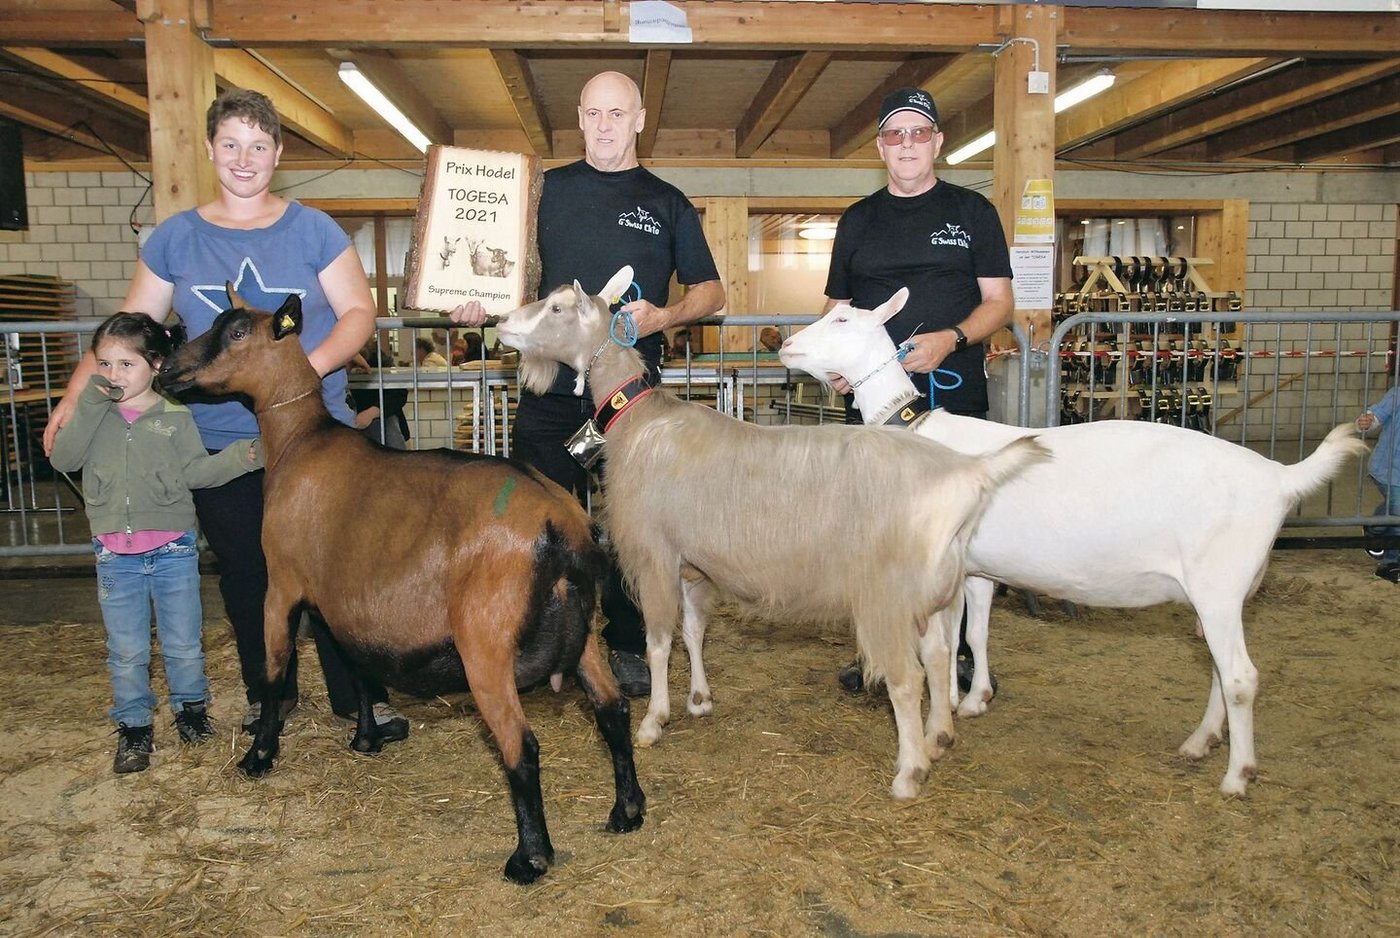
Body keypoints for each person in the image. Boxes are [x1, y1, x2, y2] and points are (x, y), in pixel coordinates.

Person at [43, 89, 409, 741]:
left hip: (314, 438)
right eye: (232, 144)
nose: (245, 158)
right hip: (219, 442)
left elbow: (358, 312)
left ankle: (362, 696)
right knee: (247, 574)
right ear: (210, 148)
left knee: (336, 568)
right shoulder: (176, 238)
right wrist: (76, 394)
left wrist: (300, 374)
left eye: (259, 145)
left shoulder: (314, 230)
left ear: (278, 154)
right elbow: (130, 330)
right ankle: (269, 695)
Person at [452, 70, 725, 696]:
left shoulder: (667, 202)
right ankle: (552, 643)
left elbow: (712, 291)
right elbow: (500, 273)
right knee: (541, 521)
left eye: (617, 113)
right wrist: (474, 300)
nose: (604, 126)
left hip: (627, 398)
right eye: (593, 114)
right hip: (548, 390)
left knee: (634, 525)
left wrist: (666, 315)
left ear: (640, 119)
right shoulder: (541, 192)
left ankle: (628, 643)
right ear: (579, 118)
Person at [821, 87, 1014, 694]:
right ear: (881, 147)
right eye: (895, 134)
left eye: (919, 132)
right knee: (876, 526)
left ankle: (958, 652)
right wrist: (834, 362)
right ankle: (880, 649)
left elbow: (1000, 302)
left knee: (954, 528)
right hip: (877, 406)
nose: (907, 144)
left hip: (952, 395)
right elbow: (837, 308)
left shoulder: (972, 212)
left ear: (938, 142)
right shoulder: (858, 220)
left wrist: (951, 339)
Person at [49, 314, 263, 773]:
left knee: (183, 640)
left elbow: (196, 472)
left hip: (173, 550)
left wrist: (242, 456)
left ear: (156, 364)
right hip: (115, 554)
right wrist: (86, 405)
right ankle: (134, 727)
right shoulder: (95, 414)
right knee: (126, 648)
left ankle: (191, 711)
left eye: (126, 364)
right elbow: (64, 458)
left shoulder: (175, 417)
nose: (113, 375)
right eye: (104, 364)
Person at [1357, 384, 1400, 582]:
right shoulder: (1397, 394)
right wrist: (1367, 420)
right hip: (1390, 469)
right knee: (1398, 513)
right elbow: (1377, 414)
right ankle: (1391, 563)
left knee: (1394, 509)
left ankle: (1374, 528)